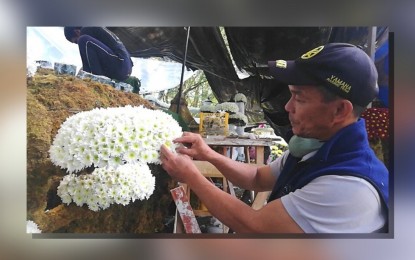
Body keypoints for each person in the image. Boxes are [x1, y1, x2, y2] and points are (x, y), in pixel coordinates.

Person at [160, 43, 389, 233]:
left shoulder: (348, 188)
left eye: (299, 98)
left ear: (339, 111)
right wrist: (208, 154)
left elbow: (254, 226)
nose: (288, 107)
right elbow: (258, 177)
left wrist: (190, 174)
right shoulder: (316, 147)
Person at [64, 27, 133, 81]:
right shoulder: (96, 31)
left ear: (77, 32)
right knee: (87, 44)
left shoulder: (86, 30)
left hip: (120, 64)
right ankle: (98, 77)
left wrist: (81, 76)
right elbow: (91, 59)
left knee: (83, 40)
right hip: (125, 67)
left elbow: (88, 63)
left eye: (76, 41)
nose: (77, 44)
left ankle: (97, 79)